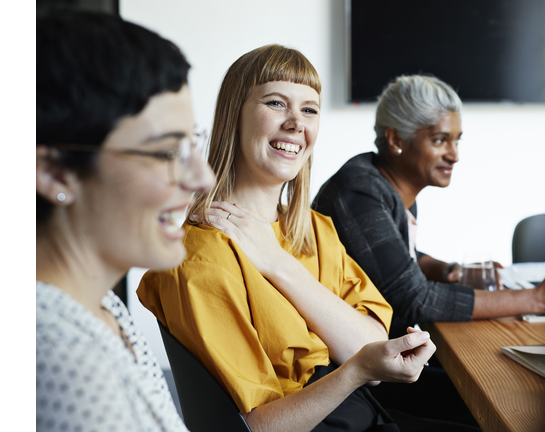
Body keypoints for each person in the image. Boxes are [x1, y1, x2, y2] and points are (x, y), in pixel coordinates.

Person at [137, 45, 470, 432]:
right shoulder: (201, 259)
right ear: (235, 117)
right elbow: (259, 427)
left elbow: (371, 341)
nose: (296, 123)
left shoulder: (314, 228)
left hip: (366, 414)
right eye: (276, 103)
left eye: (309, 109)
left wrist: (279, 265)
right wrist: (357, 370)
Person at [36, 11, 215, 431]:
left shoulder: (103, 307)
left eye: (191, 144)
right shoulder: (57, 357)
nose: (202, 178)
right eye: (166, 152)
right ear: (56, 173)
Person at [312, 74, 545, 339]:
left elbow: (395, 260)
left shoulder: (386, 186)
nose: (454, 155)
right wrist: (537, 299)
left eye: (457, 140)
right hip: (354, 373)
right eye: (439, 140)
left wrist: (449, 270)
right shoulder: (360, 193)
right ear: (396, 140)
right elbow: (414, 299)